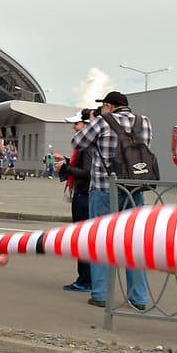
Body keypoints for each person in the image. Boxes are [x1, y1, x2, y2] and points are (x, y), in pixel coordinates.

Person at [71, 90, 151, 311]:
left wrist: (93, 121)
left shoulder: (102, 121)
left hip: (104, 189)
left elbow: (77, 142)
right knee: (133, 243)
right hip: (134, 189)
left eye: (104, 106)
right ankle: (139, 297)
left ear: (109, 106)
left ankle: (101, 295)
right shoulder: (143, 122)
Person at [54, 109, 94, 292]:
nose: (74, 128)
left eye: (77, 124)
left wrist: (65, 168)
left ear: (86, 126)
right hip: (84, 193)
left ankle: (85, 280)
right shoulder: (87, 145)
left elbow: (87, 172)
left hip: (84, 194)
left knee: (83, 239)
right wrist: (67, 161)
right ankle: (87, 279)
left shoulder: (87, 146)